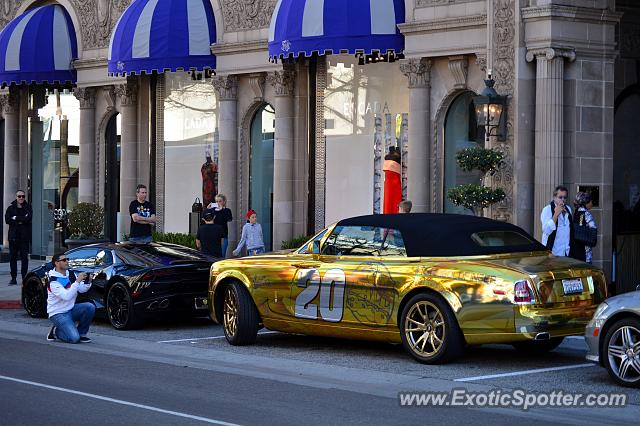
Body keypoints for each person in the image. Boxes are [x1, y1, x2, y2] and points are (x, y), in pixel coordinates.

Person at [46, 253, 95, 343]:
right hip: (58, 314)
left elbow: (81, 289)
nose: (67, 261)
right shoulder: (53, 281)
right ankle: (56, 331)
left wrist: (88, 281)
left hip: (70, 309)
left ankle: (81, 333)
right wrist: (77, 281)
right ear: (56, 263)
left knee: (89, 307)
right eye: (64, 260)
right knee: (74, 339)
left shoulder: (71, 274)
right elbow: (66, 296)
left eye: (67, 259)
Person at [5, 190, 32, 285]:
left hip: (24, 238)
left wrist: (15, 218)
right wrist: (21, 219)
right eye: (19, 196)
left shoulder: (28, 207)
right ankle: (13, 278)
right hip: (13, 237)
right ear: (16, 197)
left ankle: (24, 278)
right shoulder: (10, 208)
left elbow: (28, 219)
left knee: (24, 258)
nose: (21, 198)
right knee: (13, 258)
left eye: (23, 196)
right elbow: (7, 220)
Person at [541, 185, 573, 257]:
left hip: (566, 251)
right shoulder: (547, 210)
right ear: (554, 197)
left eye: (565, 197)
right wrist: (556, 215)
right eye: (560, 197)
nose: (563, 200)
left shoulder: (568, 209)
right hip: (553, 252)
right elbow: (546, 230)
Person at [573, 192, 597, 263]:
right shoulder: (586, 213)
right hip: (585, 247)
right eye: (591, 201)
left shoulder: (576, 213)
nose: (592, 204)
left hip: (576, 246)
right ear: (586, 203)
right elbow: (593, 228)